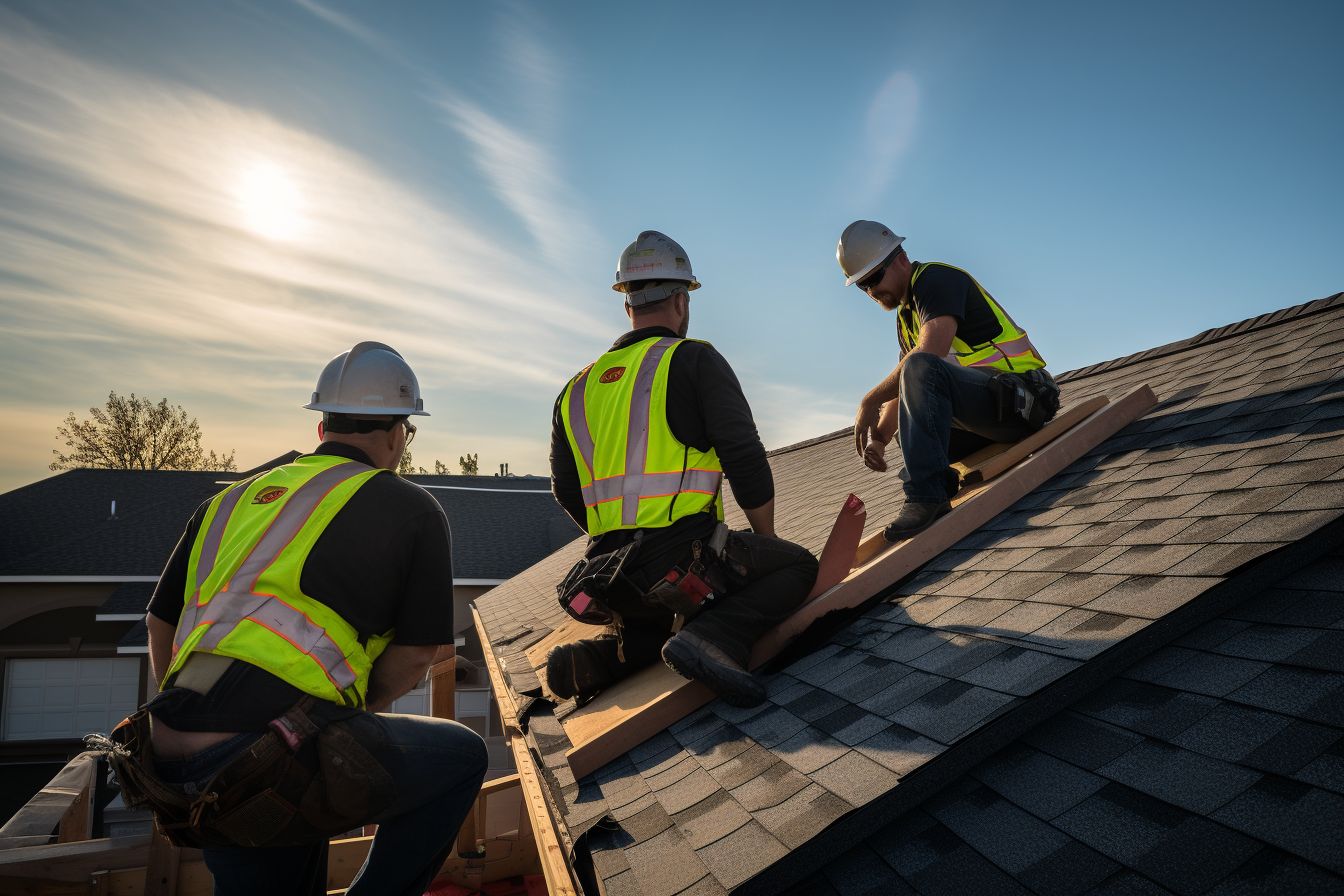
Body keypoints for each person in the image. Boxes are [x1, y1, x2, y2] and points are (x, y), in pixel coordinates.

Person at [122, 342, 486, 896]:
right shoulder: (410, 507)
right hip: (266, 751)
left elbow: (160, 624)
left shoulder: (229, 500)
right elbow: (415, 654)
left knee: (286, 848)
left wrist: (200, 721)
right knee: (461, 758)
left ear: (323, 429)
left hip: (170, 751)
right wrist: (334, 720)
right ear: (397, 434)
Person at [547, 231, 818, 708]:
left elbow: (566, 489)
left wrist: (617, 536)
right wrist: (767, 540)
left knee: (654, 631)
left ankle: (604, 658)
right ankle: (712, 640)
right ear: (680, 299)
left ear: (626, 304)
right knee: (796, 567)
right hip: (682, 560)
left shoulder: (576, 389)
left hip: (610, 575)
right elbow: (745, 457)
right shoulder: (692, 360)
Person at [837, 220, 1059, 542]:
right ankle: (936, 481)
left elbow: (928, 355)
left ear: (901, 259)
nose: (872, 291)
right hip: (988, 416)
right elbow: (910, 390)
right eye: (862, 285)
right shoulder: (906, 316)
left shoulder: (935, 279)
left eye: (874, 278)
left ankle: (927, 496)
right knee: (911, 423)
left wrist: (869, 400)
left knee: (919, 366)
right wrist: (880, 440)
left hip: (1025, 400)